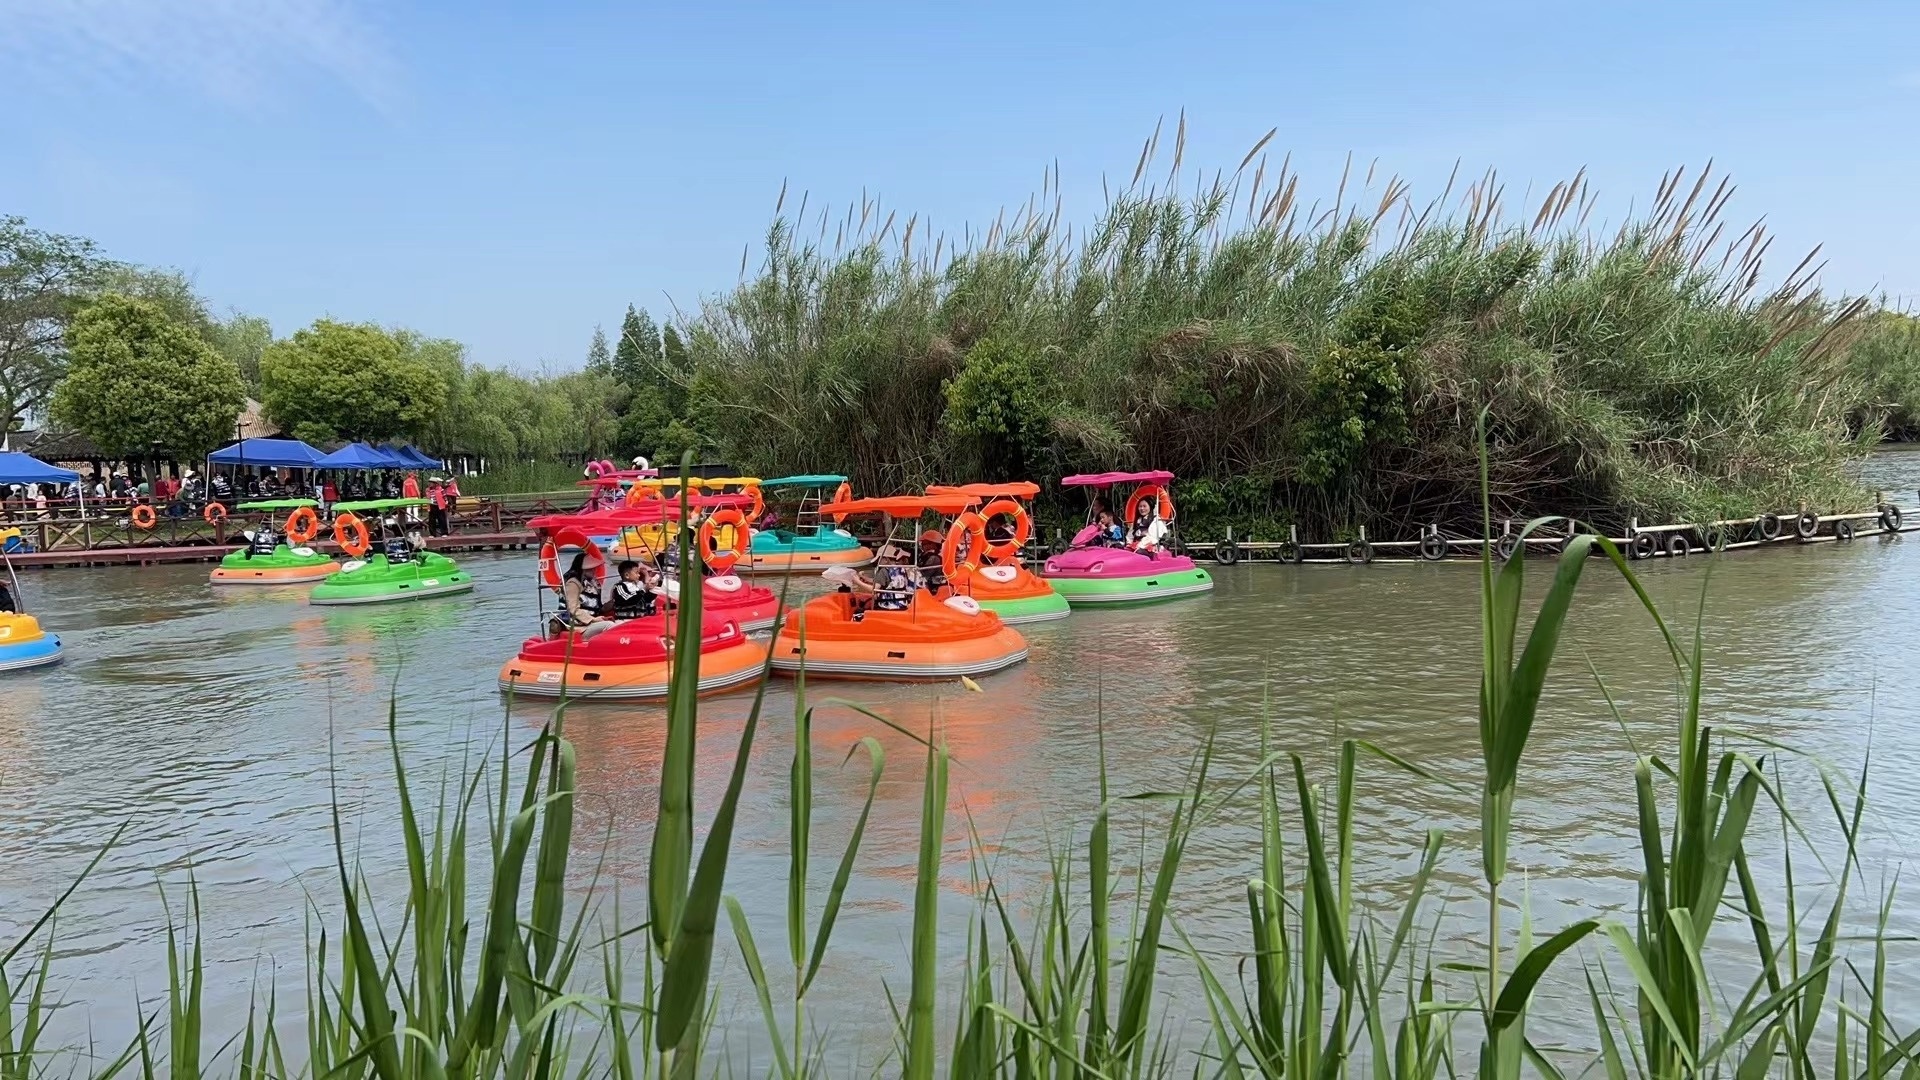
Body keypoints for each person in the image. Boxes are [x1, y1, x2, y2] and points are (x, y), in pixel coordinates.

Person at [560, 552, 615, 639]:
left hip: (592, 622)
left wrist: (614, 602)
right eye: (590, 569)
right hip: (579, 627)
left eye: (593, 568)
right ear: (582, 569)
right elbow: (573, 609)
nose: (594, 571)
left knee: (619, 623)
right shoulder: (573, 583)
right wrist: (593, 619)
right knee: (610, 625)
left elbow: (599, 607)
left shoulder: (592, 583)